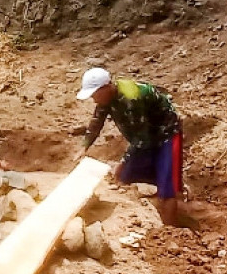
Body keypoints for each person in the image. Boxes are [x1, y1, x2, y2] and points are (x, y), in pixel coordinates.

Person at [76, 68, 184, 226]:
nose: (93, 99)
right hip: (146, 136)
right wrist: (84, 146)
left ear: (106, 87)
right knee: (128, 177)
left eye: (94, 94)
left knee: (167, 188)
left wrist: (123, 162)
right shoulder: (107, 98)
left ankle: (171, 230)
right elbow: (97, 120)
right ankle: (154, 206)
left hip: (167, 134)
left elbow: (142, 138)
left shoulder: (131, 98)